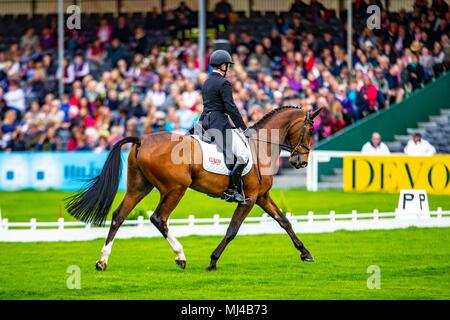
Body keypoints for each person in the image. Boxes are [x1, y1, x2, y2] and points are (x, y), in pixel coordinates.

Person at [199, 49, 249, 204]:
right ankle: (233, 191)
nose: (228, 68)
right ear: (222, 65)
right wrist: (243, 128)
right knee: (243, 155)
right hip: (219, 122)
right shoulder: (224, 82)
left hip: (207, 121)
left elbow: (206, 106)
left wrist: (199, 123)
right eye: (227, 65)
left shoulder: (207, 81)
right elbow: (230, 107)